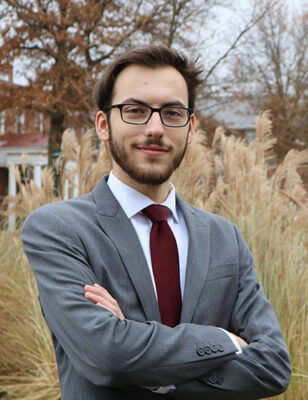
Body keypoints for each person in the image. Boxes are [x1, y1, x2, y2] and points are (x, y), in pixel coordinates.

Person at [21, 45, 291, 400]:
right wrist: (225, 341)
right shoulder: (58, 229)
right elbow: (108, 355)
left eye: (172, 113)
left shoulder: (225, 237)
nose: (155, 128)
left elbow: (273, 366)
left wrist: (156, 371)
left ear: (191, 128)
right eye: (135, 110)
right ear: (103, 124)